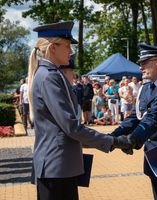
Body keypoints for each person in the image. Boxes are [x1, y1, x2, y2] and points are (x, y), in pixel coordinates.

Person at [27, 21, 133, 200]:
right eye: (67, 46)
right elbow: (72, 127)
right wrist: (112, 141)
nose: (71, 51)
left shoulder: (51, 74)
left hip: (59, 166)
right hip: (56, 167)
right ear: (53, 47)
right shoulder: (49, 77)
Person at [111, 43, 157, 200]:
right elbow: (135, 117)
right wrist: (113, 136)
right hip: (152, 154)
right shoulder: (145, 88)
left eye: (144, 63)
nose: (140, 67)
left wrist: (132, 140)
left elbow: (153, 117)